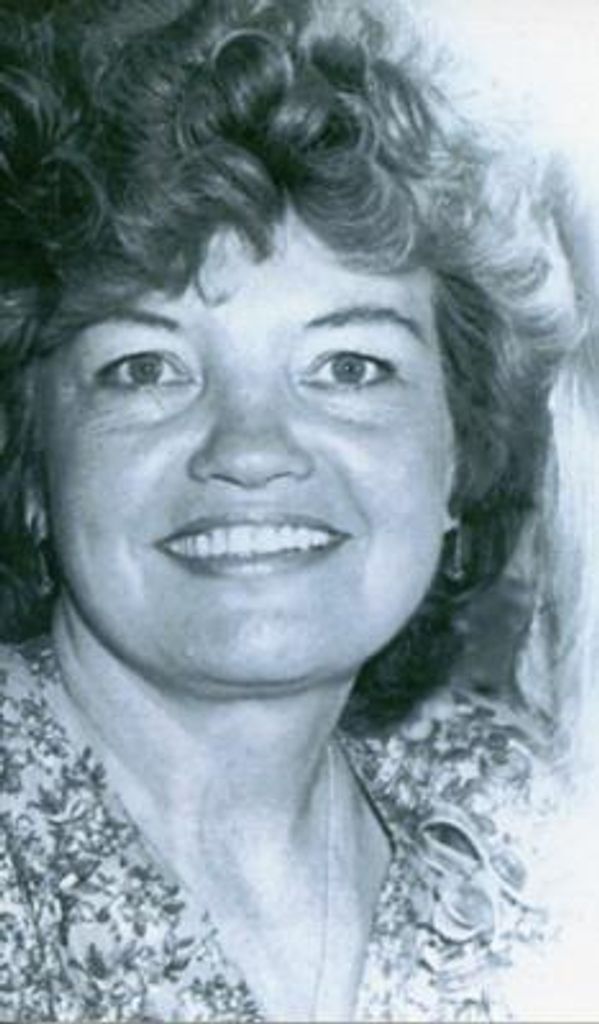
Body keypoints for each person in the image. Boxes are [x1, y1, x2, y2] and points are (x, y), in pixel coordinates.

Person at [0, 0, 580, 1020]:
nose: (252, 450)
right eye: (146, 367)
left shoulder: (520, 811)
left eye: (349, 366)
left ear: (460, 451)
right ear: (32, 460)